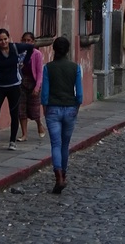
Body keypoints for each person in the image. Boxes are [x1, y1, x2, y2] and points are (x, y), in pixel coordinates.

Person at [0, 28, 37, 151]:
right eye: (0, 40)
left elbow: (30, 48)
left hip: (14, 86)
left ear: (9, 38)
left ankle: (12, 141)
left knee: (14, 113)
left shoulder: (16, 48)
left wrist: (24, 62)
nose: (3, 42)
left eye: (5, 39)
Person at [41, 36, 82, 194]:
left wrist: (45, 108)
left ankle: (58, 175)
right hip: (70, 108)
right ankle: (63, 174)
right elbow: (79, 94)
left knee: (56, 144)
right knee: (65, 144)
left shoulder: (48, 68)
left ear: (54, 49)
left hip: (53, 108)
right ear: (68, 50)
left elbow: (45, 93)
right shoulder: (75, 67)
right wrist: (76, 106)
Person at [17, 32, 46, 142]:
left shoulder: (36, 54)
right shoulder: (19, 52)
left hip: (33, 82)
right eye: (24, 40)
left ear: (33, 42)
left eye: (29, 40)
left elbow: (39, 72)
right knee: (21, 109)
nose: (26, 42)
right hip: (21, 82)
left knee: (34, 109)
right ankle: (24, 134)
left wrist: (37, 87)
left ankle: (39, 123)